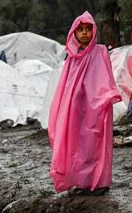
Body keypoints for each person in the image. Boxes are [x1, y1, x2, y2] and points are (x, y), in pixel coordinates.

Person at [48, 11, 122, 195]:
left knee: (93, 144)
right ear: (74, 33)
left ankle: (99, 183)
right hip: (75, 109)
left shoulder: (100, 52)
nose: (84, 33)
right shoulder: (71, 57)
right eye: (80, 30)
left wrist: (102, 99)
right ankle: (81, 181)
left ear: (93, 31)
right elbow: (66, 87)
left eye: (88, 29)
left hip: (95, 106)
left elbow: (103, 77)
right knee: (76, 145)